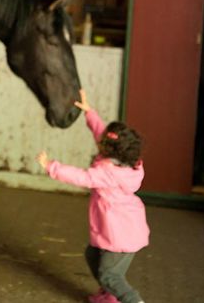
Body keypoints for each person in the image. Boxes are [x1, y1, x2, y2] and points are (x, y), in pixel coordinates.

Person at [36, 89, 149, 303]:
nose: (99, 140)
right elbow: (101, 132)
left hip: (120, 236)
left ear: (109, 149)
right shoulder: (123, 161)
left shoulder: (108, 173)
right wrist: (90, 113)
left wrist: (52, 166)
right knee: (92, 255)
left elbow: (82, 177)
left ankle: (133, 300)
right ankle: (109, 294)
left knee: (109, 274)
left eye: (103, 142)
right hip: (116, 229)